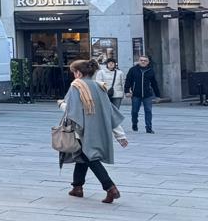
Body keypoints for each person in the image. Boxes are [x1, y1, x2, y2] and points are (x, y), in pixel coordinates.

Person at [60, 58, 126, 203]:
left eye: (73, 72)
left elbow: (71, 110)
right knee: (82, 156)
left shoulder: (76, 86)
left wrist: (61, 105)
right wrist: (120, 135)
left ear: (78, 73)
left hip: (82, 130)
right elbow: (110, 111)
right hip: (99, 129)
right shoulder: (99, 86)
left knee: (90, 157)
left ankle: (110, 187)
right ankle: (77, 187)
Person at [124, 54, 161, 133]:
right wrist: (127, 91)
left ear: (148, 62)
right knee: (134, 111)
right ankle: (134, 123)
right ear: (138, 61)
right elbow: (128, 81)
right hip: (136, 94)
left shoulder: (150, 71)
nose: (143, 62)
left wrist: (158, 95)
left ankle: (149, 128)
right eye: (141, 60)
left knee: (148, 111)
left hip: (147, 95)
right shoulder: (133, 70)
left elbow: (154, 83)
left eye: (145, 61)